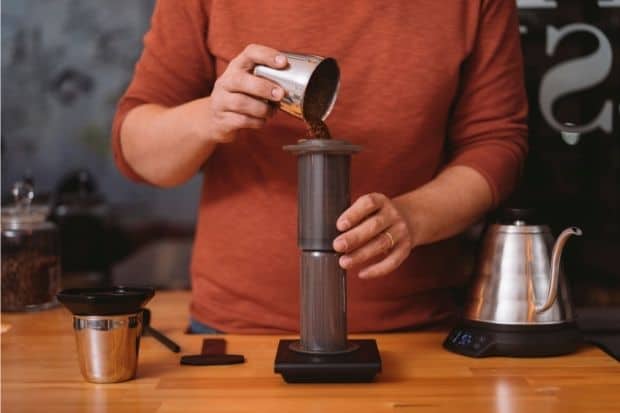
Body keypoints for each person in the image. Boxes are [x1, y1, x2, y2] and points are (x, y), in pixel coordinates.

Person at [112, 0, 527, 334]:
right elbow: (139, 153)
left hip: (412, 329)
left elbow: (495, 143)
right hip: (238, 331)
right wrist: (210, 116)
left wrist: (414, 217)